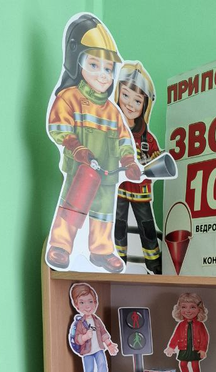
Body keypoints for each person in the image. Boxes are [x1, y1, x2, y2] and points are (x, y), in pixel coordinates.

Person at [46, 14, 141, 273]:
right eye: (94, 65)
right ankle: (60, 246)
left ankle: (101, 251)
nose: (103, 75)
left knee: (103, 214)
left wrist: (129, 161)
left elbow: (123, 139)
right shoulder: (69, 98)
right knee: (72, 207)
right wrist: (76, 147)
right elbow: (58, 126)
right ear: (77, 63)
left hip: (108, 175)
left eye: (108, 69)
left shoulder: (112, 112)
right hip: (81, 170)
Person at [114, 62, 162, 273]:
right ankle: (118, 260)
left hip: (141, 191)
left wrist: (157, 160)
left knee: (147, 227)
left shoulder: (147, 138)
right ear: (117, 94)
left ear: (145, 105)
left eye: (137, 100)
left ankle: (154, 262)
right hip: (118, 188)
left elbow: (157, 159)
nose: (130, 104)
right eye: (125, 95)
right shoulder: (111, 130)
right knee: (118, 225)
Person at [69, 282, 118, 372]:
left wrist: (109, 344)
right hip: (87, 352)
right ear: (77, 306)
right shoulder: (80, 323)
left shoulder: (96, 320)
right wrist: (85, 337)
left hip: (99, 349)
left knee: (102, 364)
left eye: (90, 301)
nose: (87, 306)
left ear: (95, 303)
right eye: (82, 302)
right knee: (89, 369)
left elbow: (103, 333)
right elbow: (77, 338)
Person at [164, 293, 209, 372]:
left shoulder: (200, 325)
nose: (188, 311)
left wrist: (203, 349)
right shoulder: (181, 325)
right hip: (184, 348)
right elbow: (175, 336)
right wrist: (171, 347)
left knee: (195, 366)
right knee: (182, 364)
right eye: (184, 307)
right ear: (179, 309)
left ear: (199, 309)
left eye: (192, 307)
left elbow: (204, 338)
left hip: (195, 349)